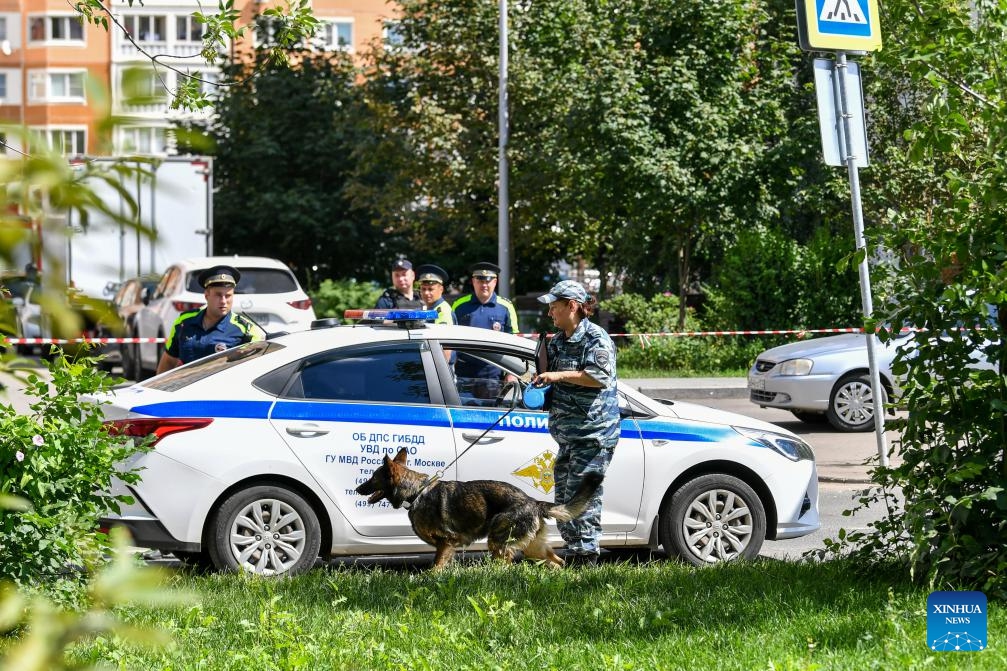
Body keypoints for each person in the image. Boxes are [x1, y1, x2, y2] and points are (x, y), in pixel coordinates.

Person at [533, 280, 619, 566]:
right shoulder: (557, 340)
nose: (550, 313)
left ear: (572, 306)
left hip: (593, 433)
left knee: (584, 496)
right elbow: (552, 378)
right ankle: (574, 550)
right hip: (568, 435)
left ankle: (586, 557)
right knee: (564, 498)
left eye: (554, 307)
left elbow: (598, 377)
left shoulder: (596, 338)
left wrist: (557, 375)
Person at [156, 265, 264, 374]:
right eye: (218, 295)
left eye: (228, 296)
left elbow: (257, 367)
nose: (223, 301)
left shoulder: (246, 330)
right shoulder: (184, 321)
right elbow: (168, 361)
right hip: (187, 384)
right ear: (207, 295)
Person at [451, 261, 518, 333]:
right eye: (480, 281)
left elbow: (513, 335)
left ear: (495, 282)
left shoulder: (506, 306)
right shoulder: (459, 305)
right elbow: (450, 333)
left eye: (487, 281)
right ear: (473, 281)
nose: (484, 285)